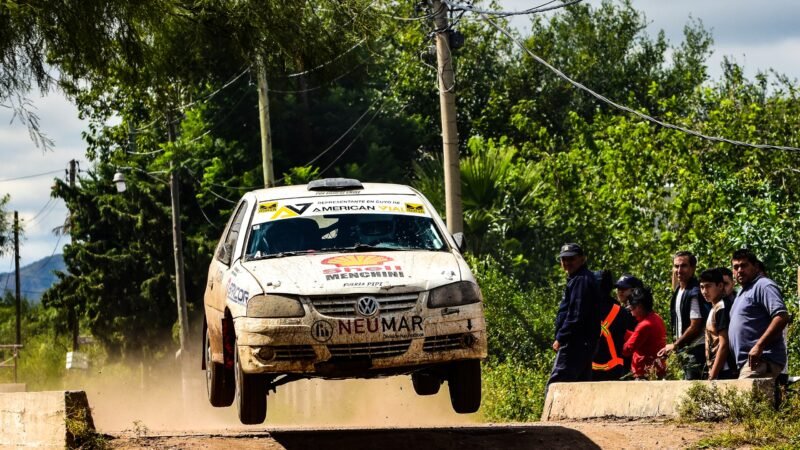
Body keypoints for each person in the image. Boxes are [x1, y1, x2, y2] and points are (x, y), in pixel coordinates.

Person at [546, 243, 601, 393]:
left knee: (556, 385)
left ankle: (550, 416)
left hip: (575, 343)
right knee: (580, 386)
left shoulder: (581, 280)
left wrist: (561, 337)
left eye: (571, 259)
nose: (567, 263)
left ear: (582, 259)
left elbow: (576, 315)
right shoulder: (578, 278)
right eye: (564, 259)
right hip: (583, 342)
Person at [728, 249, 789, 380]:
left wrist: (759, 346)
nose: (739, 270)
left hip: (762, 359)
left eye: (744, 265)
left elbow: (781, 316)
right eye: (736, 267)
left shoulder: (764, 285)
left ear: (755, 267)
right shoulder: (741, 292)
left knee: (743, 399)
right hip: (748, 362)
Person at [658, 251, 709, 380]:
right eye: (676, 266)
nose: (679, 270)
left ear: (693, 268)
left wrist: (675, 345)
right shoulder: (679, 291)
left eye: (684, 266)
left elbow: (695, 326)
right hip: (685, 350)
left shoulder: (694, 292)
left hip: (696, 352)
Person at [592, 270, 637, 381]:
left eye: (624, 289)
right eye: (618, 289)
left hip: (591, 368)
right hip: (614, 369)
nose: (620, 292)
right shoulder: (621, 312)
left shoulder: (586, 309)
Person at [698, 268, 738, 380]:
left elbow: (724, 343)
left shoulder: (722, 307)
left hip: (725, 370)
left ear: (720, 286)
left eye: (708, 286)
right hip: (718, 369)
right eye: (702, 287)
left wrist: (713, 374)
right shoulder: (714, 307)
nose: (704, 291)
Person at [622, 287, 667, 380]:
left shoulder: (644, 325)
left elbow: (627, 350)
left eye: (632, 308)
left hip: (644, 374)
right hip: (656, 370)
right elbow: (643, 340)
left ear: (640, 306)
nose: (631, 312)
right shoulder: (656, 318)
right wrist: (624, 332)